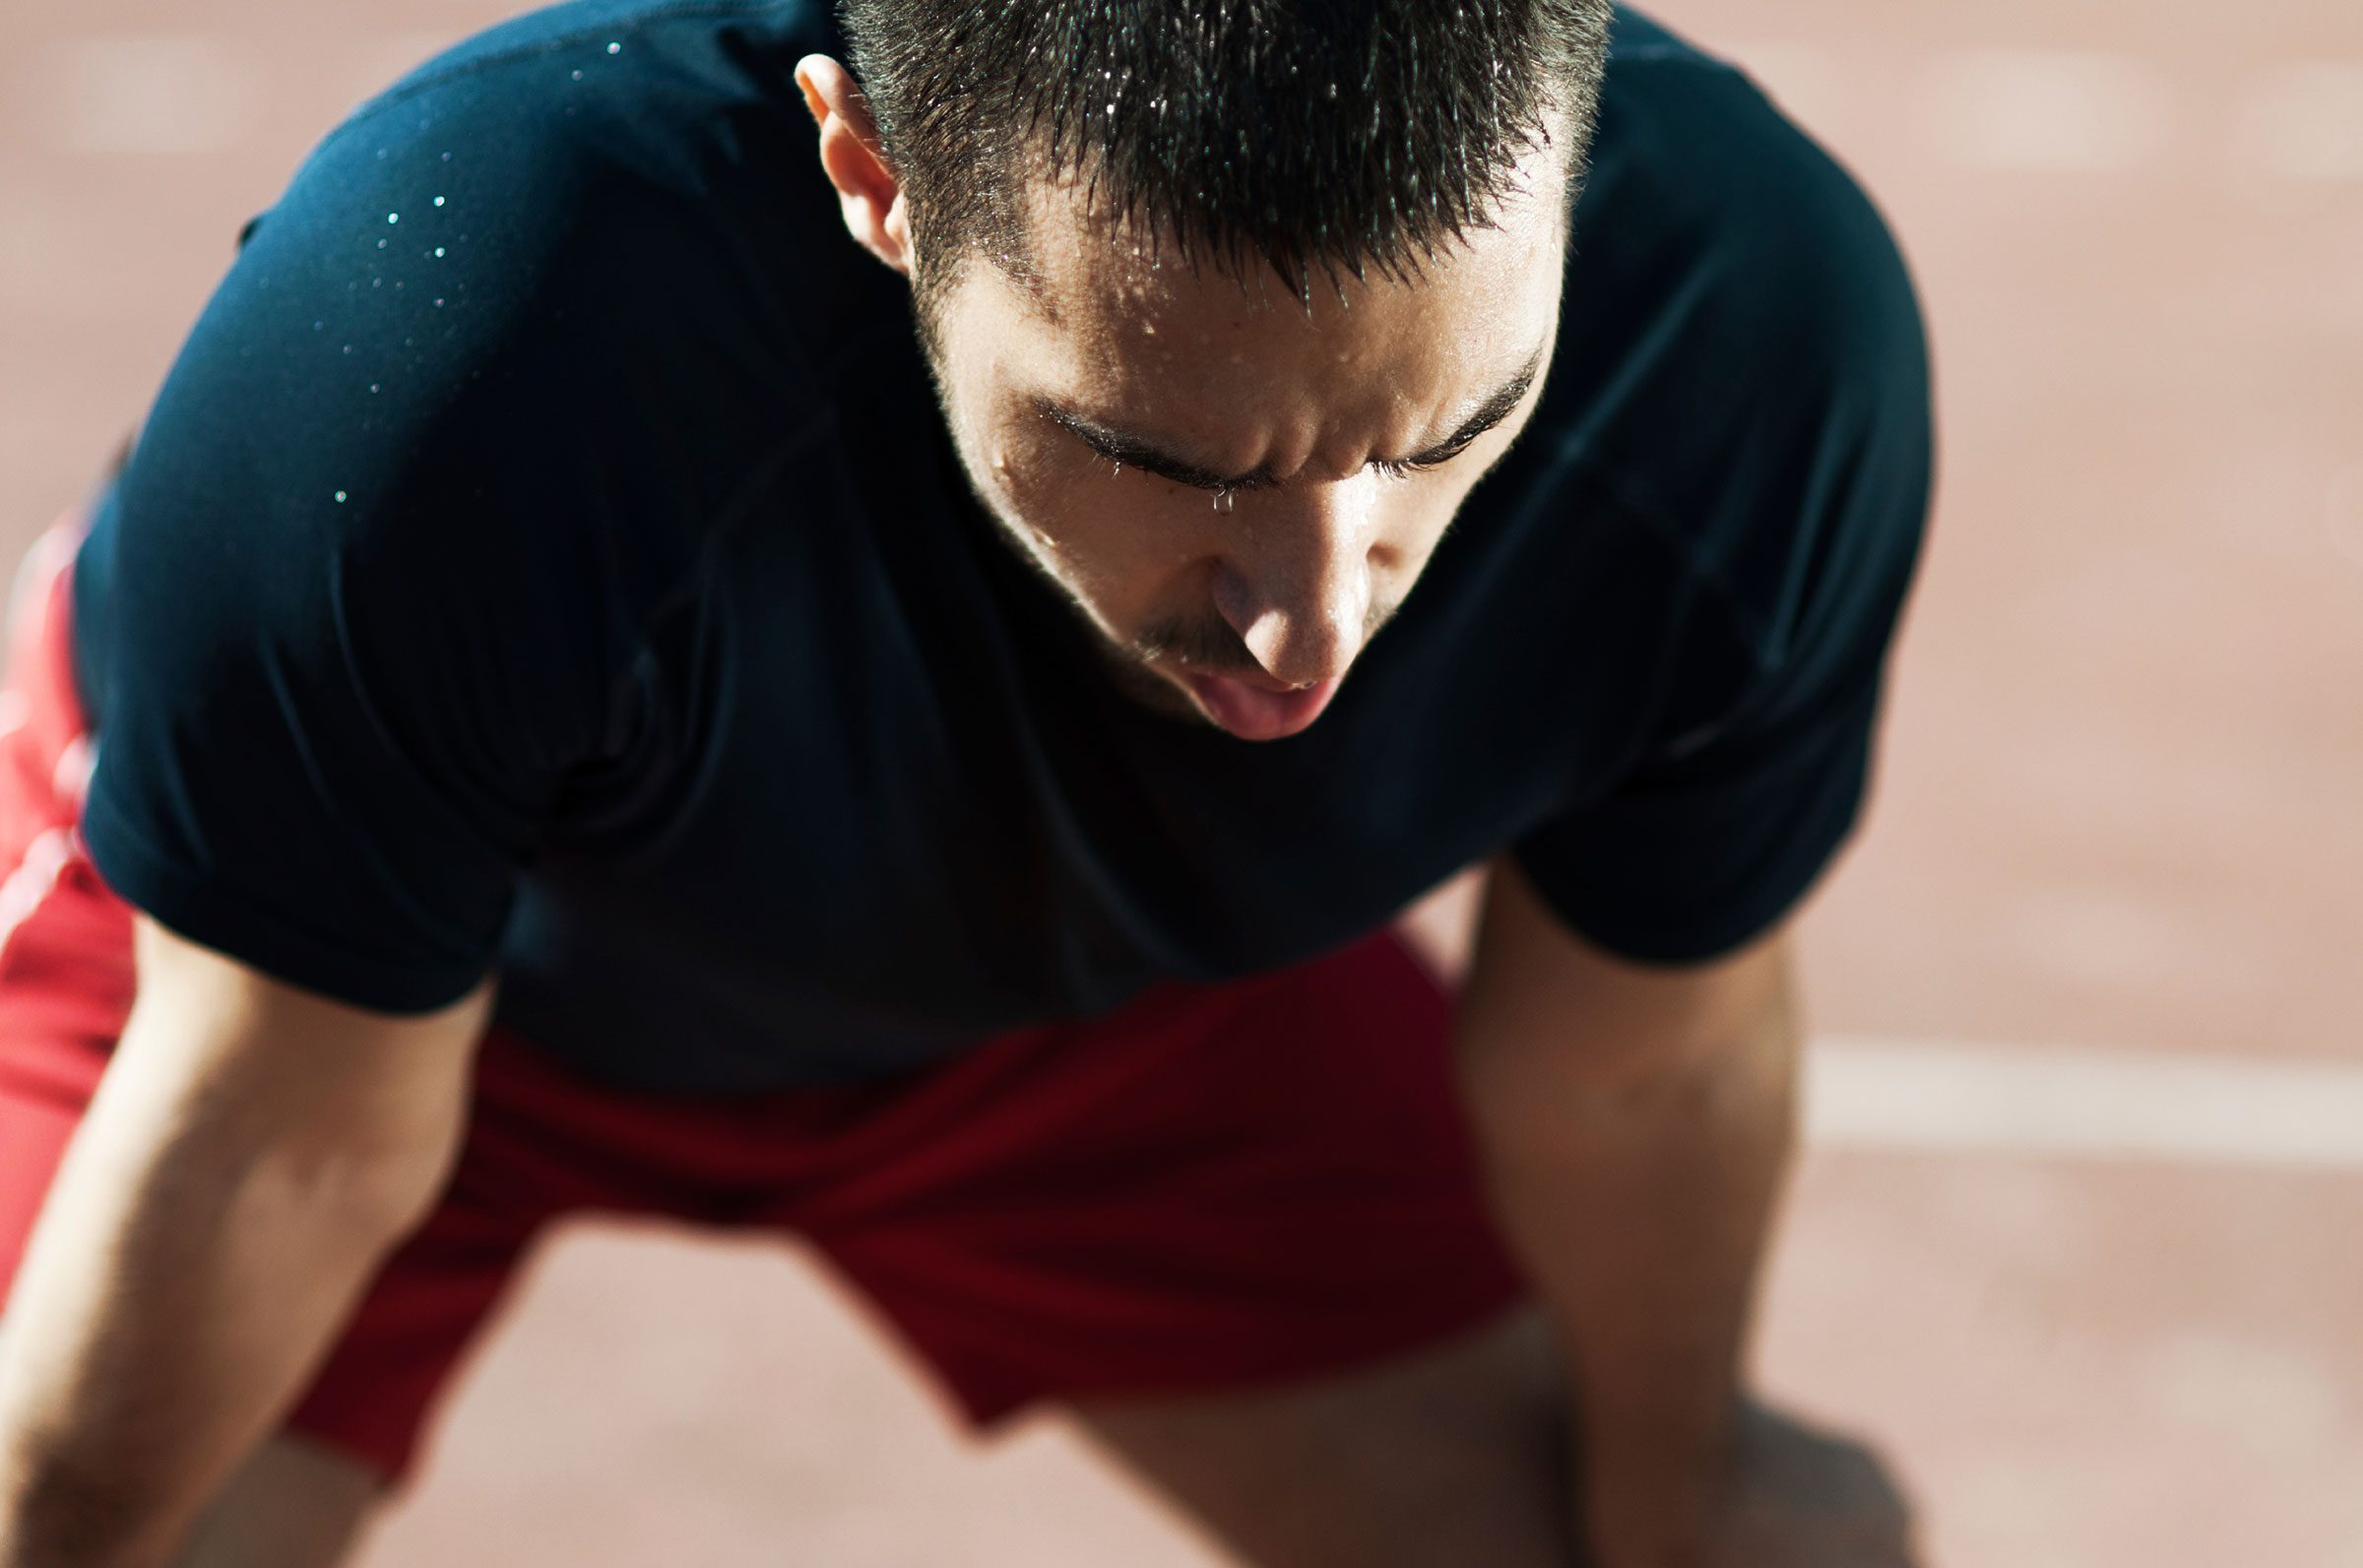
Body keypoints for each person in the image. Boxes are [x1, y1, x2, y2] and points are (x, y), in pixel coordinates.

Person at [0, 0, 1934, 1563]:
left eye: (1457, 425)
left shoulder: (1744, 352)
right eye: (1174, 458)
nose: (1309, 633)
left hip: (1074, 999)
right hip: (368, 984)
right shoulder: (450, 352)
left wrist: (1690, 1488)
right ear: (876, 177)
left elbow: (1637, 1060)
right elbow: (283, 1129)